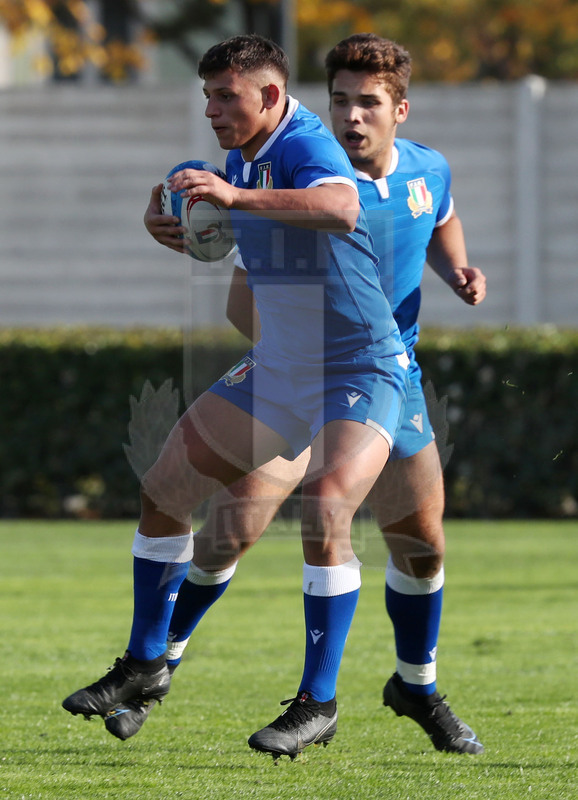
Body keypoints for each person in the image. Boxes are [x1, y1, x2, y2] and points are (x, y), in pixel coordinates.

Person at [99, 34, 487, 758]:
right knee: (231, 526)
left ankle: (417, 686)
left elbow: (441, 219)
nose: (351, 116)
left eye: (368, 103)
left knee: (422, 549)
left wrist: (459, 269)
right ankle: (158, 664)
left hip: (387, 379)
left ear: (400, 111)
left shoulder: (425, 170)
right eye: (339, 100)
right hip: (303, 377)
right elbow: (241, 296)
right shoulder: (294, 179)